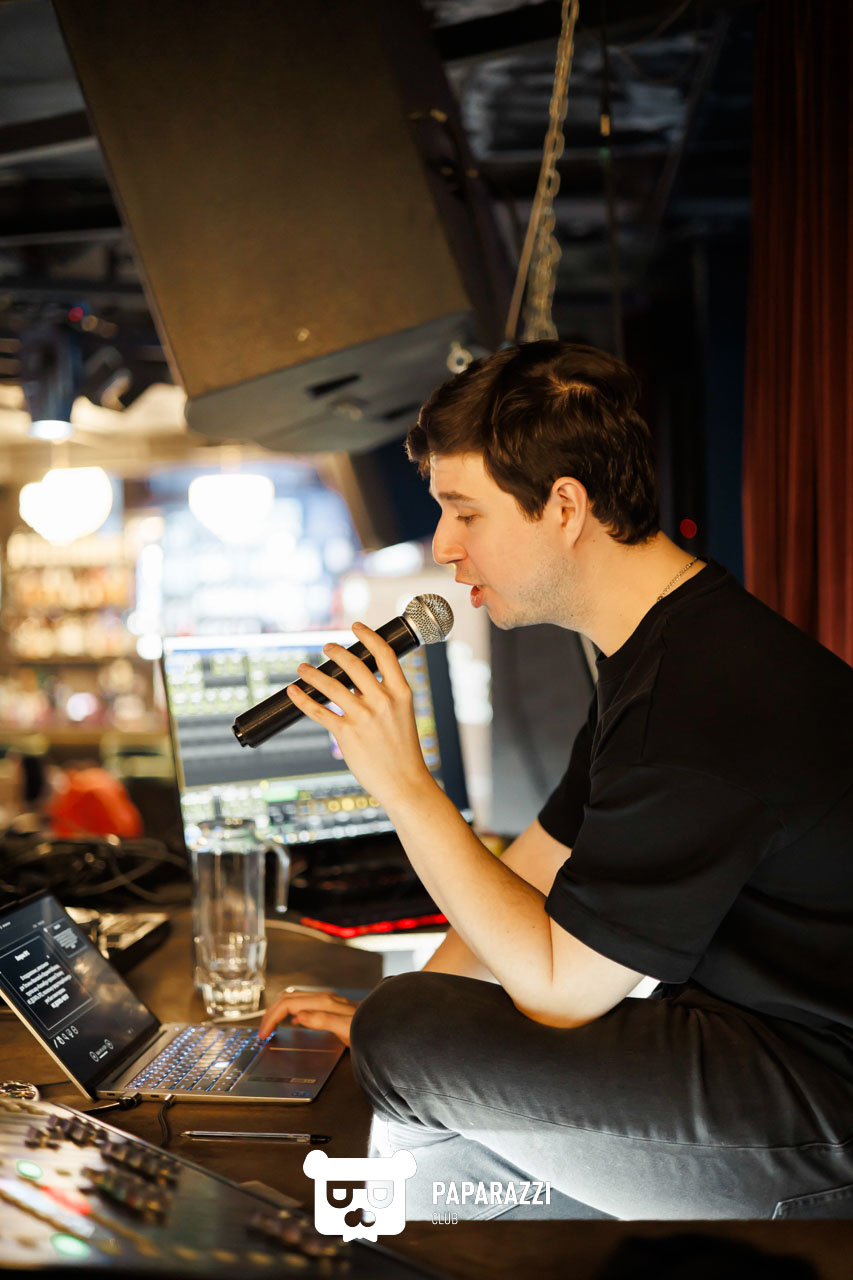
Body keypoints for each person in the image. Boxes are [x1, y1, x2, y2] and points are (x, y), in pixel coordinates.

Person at [259, 341, 853, 1221]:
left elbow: (560, 990)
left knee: (408, 1041)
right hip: (757, 1050)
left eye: (465, 512)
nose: (444, 547)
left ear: (564, 507)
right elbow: (537, 863)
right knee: (405, 1032)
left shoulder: (696, 697)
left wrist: (404, 787)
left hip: (822, 1107)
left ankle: (391, 1237)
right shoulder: (667, 647)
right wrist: (401, 1017)